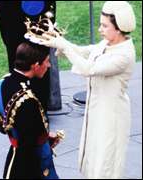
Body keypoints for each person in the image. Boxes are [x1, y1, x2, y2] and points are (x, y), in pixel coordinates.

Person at [39, 1, 136, 179]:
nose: (100, 29)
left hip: (111, 115)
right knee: (92, 157)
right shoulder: (107, 44)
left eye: (105, 26)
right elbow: (84, 51)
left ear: (119, 28)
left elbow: (88, 69)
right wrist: (59, 41)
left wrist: (64, 46)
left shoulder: (124, 54)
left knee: (105, 164)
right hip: (97, 110)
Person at [0, 42, 60, 179]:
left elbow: (3, 127)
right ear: (35, 66)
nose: (49, 66)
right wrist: (44, 138)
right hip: (29, 165)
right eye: (47, 62)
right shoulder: (28, 100)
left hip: (14, 157)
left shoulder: (2, 85)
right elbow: (29, 143)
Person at [0, 1, 56, 115]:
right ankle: (19, 111)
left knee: (40, 58)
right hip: (11, 10)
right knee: (17, 59)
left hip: (40, 8)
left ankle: (40, 116)